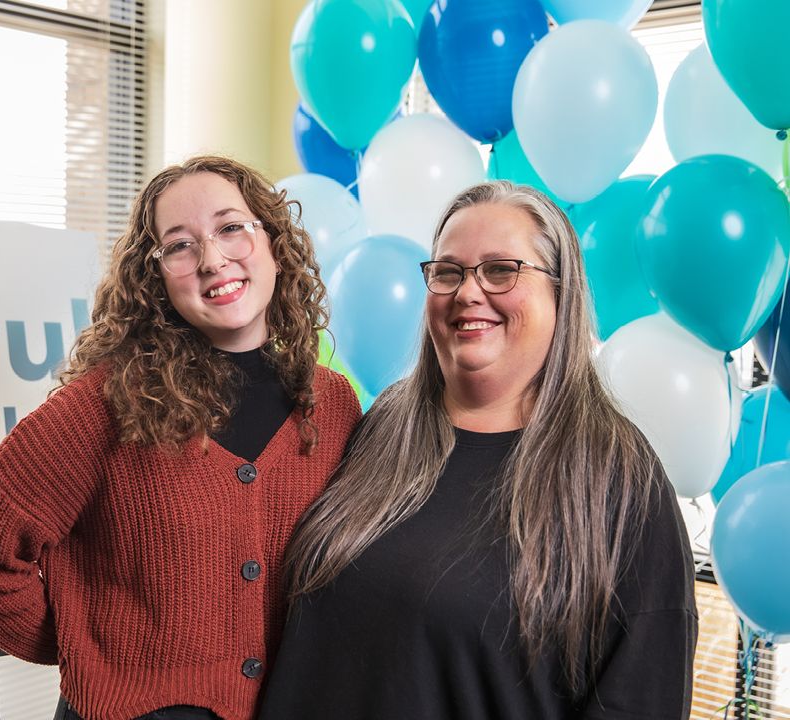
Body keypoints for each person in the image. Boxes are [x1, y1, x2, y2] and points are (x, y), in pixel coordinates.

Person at [0, 155, 361, 720]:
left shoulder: (330, 404)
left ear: (274, 241)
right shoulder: (105, 405)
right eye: (179, 245)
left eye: (232, 227)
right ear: (154, 277)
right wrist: (87, 643)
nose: (211, 259)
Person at [259, 180, 698, 719]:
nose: (468, 292)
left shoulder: (617, 477)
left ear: (561, 294)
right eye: (448, 272)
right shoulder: (382, 429)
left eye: (500, 270)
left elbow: (642, 700)